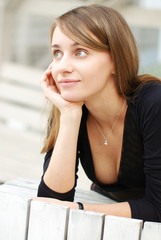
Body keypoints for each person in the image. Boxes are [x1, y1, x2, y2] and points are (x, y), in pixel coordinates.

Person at [37, 4, 161, 222]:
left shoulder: (153, 103)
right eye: (57, 53)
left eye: (81, 52)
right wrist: (69, 116)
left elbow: (158, 208)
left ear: (116, 59)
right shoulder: (69, 106)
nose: (62, 67)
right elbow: (52, 200)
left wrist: (78, 209)